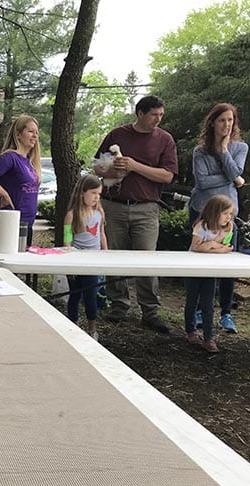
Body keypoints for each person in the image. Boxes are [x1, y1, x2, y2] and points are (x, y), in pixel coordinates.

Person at [94, 95, 178, 333]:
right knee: (114, 258)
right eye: (154, 115)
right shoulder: (118, 135)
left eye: (161, 115)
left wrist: (135, 166)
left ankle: (150, 311)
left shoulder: (164, 140)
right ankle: (118, 305)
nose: (158, 120)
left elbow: (168, 176)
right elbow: (98, 167)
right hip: (114, 204)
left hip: (147, 207)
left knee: (147, 260)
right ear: (140, 113)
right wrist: (113, 167)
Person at [190, 103, 248, 334]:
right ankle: (198, 310)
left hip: (227, 215)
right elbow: (203, 182)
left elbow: (236, 173)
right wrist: (232, 178)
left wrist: (224, 152)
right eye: (222, 120)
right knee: (200, 259)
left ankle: (225, 312)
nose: (226, 124)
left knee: (226, 262)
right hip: (201, 210)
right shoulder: (200, 151)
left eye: (230, 120)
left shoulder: (239, 147)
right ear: (213, 122)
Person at [0, 115, 41, 247]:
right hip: (11, 223)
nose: (35, 136)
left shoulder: (29, 162)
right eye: (30, 131)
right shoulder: (10, 157)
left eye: (36, 132)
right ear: (18, 134)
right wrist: (4, 194)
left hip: (27, 224)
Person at [184, 195, 236, 353]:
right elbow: (196, 247)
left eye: (230, 214)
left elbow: (227, 248)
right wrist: (213, 245)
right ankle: (190, 330)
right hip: (194, 268)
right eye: (225, 213)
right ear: (215, 212)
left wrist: (211, 247)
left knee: (208, 304)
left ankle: (208, 337)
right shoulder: (202, 226)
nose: (229, 217)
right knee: (192, 300)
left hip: (211, 269)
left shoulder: (228, 227)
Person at [63, 175, 108, 341]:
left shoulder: (99, 213)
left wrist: (106, 253)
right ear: (83, 193)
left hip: (93, 262)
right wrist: (68, 264)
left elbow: (102, 234)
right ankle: (72, 324)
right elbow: (67, 239)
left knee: (91, 296)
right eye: (93, 192)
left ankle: (92, 329)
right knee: (75, 295)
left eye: (99, 194)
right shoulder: (72, 214)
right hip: (76, 261)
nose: (96, 197)